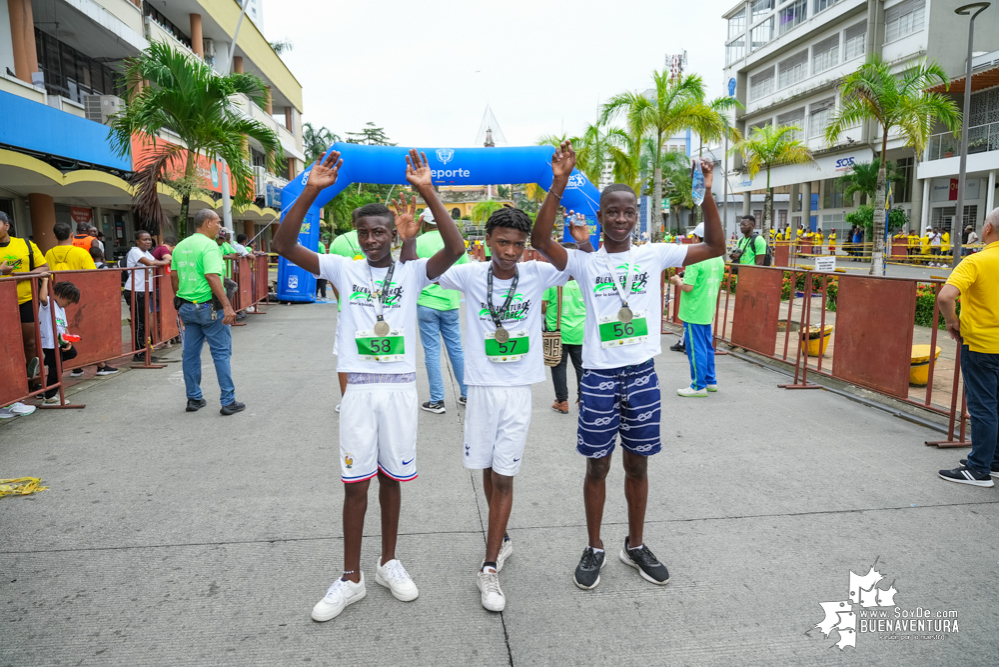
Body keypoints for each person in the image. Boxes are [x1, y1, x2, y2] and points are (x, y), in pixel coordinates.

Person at [273, 148, 465, 624]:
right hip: (358, 389)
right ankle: (351, 576)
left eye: (380, 231)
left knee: (393, 481)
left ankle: (389, 563)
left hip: (400, 388)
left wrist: (427, 190)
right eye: (365, 232)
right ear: (357, 238)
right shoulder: (344, 269)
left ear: (392, 233)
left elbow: (457, 248)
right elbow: (282, 243)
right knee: (355, 485)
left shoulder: (413, 273)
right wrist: (311, 189)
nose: (373, 238)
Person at [531, 142, 726, 590]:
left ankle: (634, 545)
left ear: (636, 217)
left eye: (628, 212)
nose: (620, 219)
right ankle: (595, 545)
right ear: (600, 216)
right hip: (598, 378)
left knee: (637, 465)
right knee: (597, 467)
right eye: (612, 212)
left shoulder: (654, 255)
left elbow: (716, 245)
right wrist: (559, 182)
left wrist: (708, 193)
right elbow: (541, 241)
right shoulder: (584, 263)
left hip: (641, 376)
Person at [436, 205, 586, 613]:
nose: (510, 251)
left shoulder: (537, 274)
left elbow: (580, 263)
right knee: (486, 468)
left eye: (518, 244)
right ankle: (500, 539)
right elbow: (425, 269)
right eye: (502, 242)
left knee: (504, 476)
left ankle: (488, 567)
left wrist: (571, 220)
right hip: (481, 388)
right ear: (487, 241)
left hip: (517, 389)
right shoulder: (469, 274)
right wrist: (417, 223)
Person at [937, 207, 999, 487]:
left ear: (987, 229)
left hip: (982, 346)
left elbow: (946, 296)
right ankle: (993, 461)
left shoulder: (977, 260)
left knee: (983, 406)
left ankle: (978, 470)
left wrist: (952, 322)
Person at [171, 209, 242, 415]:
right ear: (208, 223)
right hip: (209, 307)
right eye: (218, 222)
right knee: (221, 353)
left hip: (187, 306)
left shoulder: (180, 246)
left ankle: (194, 398)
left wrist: (179, 297)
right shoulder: (210, 246)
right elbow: (212, 276)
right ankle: (228, 401)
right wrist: (227, 306)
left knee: (190, 354)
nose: (220, 226)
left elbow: (174, 276)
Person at [44, 222, 116, 378]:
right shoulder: (81, 253)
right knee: (85, 330)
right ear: (72, 235)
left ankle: (76, 368)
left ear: (55, 236)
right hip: (78, 299)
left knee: (65, 333)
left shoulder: (49, 254)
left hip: (57, 301)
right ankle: (100, 365)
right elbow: (92, 276)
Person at [416, 207, 469, 413]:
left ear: (424, 223)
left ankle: (437, 400)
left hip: (426, 303)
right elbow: (465, 271)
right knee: (456, 350)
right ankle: (466, 394)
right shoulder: (454, 240)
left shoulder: (419, 242)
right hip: (450, 303)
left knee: (431, 352)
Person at [670, 223, 725, 397]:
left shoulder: (696, 259)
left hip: (693, 310)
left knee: (695, 348)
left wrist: (676, 281)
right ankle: (710, 381)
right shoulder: (718, 258)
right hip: (707, 309)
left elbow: (687, 287)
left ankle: (698, 385)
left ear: (697, 238)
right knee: (707, 346)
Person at [1, 211, 49, 382]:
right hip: (2, 304)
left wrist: (21, 276)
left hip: (25, 300)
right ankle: (14, 383)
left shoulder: (25, 244)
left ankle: (35, 381)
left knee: (30, 343)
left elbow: (44, 267)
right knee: (7, 346)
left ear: (7, 226)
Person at [543, 243, 586, 414]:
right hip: (581, 332)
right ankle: (584, 399)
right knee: (582, 367)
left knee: (558, 366)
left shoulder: (553, 281)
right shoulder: (584, 281)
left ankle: (562, 401)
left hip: (557, 333)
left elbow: (542, 307)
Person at [328, 222, 363, 411]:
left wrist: (341, 299)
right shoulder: (378, 239)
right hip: (373, 308)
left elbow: (332, 277)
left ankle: (346, 399)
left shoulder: (338, 241)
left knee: (345, 355)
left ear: (351, 222)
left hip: (347, 308)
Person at [124, 231, 169, 361]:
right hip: (136, 290)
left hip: (144, 290)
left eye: (149, 239)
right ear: (137, 241)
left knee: (144, 321)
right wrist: (165, 261)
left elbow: (154, 260)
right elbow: (150, 263)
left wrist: (161, 261)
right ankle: (139, 353)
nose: (148, 242)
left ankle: (144, 351)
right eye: (144, 239)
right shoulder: (135, 251)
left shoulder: (145, 252)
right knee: (139, 322)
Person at [37, 281, 81, 405]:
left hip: (59, 341)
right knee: (56, 370)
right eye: (68, 301)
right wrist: (45, 280)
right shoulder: (49, 304)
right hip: (50, 343)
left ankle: (43, 364)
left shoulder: (61, 308)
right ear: (60, 295)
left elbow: (64, 327)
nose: (68, 305)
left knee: (72, 353)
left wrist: (68, 340)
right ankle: (49, 397)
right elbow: (42, 298)